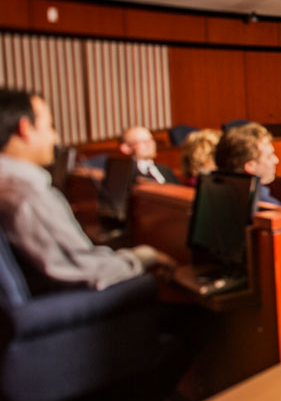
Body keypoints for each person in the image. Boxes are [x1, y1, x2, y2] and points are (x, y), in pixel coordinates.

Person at [0, 88, 174, 290]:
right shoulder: (26, 193)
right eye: (50, 127)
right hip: (76, 308)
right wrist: (143, 258)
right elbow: (88, 271)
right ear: (25, 128)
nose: (55, 139)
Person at [214, 122, 281, 205]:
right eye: (269, 156)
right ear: (250, 166)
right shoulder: (268, 206)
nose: (276, 160)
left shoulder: (210, 196)